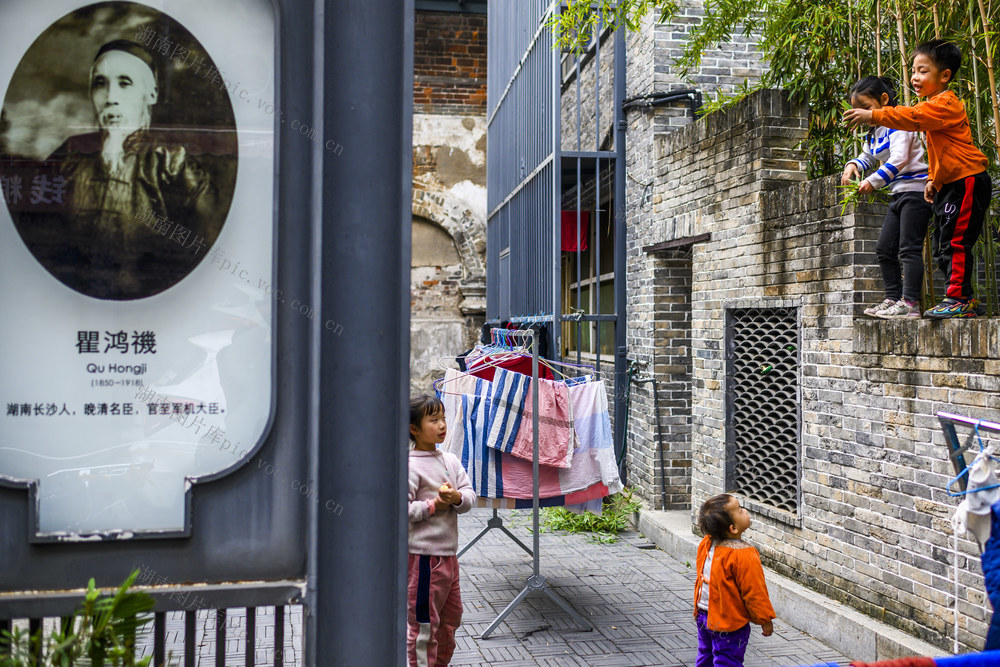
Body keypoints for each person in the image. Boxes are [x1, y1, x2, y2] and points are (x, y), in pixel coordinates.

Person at [4, 39, 221, 300]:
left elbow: (206, 258)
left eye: (124, 83)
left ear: (151, 94)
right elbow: (32, 239)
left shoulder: (172, 165)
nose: (110, 98)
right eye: (100, 84)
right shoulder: (70, 155)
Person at [845, 39, 991, 318]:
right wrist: (933, 180)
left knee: (955, 242)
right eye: (913, 70)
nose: (914, 77)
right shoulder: (930, 107)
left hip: (967, 180)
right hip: (949, 183)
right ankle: (960, 299)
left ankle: (958, 299)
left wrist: (875, 114)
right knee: (943, 243)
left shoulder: (945, 103)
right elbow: (940, 152)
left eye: (922, 71)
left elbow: (912, 117)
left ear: (944, 75)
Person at [842, 76, 932, 319]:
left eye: (867, 110)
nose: (863, 116)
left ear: (883, 100)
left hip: (915, 191)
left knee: (909, 249)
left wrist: (873, 180)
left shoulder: (900, 122)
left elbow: (899, 159)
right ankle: (893, 298)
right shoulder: (875, 130)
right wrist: (853, 165)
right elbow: (869, 155)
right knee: (884, 248)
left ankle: (911, 303)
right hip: (898, 194)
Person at [407, 395, 475, 667]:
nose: (442, 425)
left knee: (450, 620)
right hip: (423, 560)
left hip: (449, 558)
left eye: (443, 418)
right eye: (433, 420)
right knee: (424, 625)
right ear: (414, 428)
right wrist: (434, 504)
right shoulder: (410, 465)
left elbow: (469, 496)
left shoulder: (451, 460)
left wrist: (456, 498)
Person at [694, 494, 775, 667]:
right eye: (739, 510)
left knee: (705, 655)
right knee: (727, 661)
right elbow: (754, 591)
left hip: (703, 614)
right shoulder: (743, 555)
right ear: (733, 528)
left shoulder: (706, 544)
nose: (744, 511)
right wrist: (764, 619)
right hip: (728, 621)